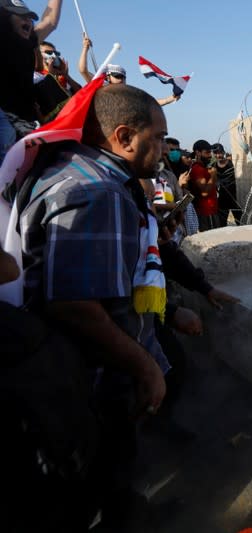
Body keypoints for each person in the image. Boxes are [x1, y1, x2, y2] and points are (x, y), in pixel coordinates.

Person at [17, 83, 169, 529]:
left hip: (61, 375)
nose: (162, 149)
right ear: (123, 137)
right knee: (105, 483)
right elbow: (76, 306)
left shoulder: (66, 168)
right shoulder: (98, 193)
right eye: (157, 138)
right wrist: (145, 366)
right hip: (93, 381)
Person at [1, 0, 63, 152]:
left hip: (24, 125)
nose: (27, 20)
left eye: (29, 17)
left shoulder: (29, 41)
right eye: (21, 16)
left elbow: (50, 22)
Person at [77, 40, 182, 106]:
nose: (121, 79)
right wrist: (85, 48)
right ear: (108, 77)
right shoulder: (100, 86)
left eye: (123, 77)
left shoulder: (128, 94)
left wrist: (170, 99)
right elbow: (83, 70)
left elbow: (148, 103)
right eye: (117, 76)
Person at [189, 139, 220, 231]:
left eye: (210, 152)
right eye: (207, 152)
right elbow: (205, 193)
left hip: (211, 209)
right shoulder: (197, 169)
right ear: (198, 152)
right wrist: (213, 176)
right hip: (206, 211)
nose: (210, 155)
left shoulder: (203, 167)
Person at [213, 143, 240, 226]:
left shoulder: (231, 163)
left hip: (234, 197)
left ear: (223, 152)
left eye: (220, 153)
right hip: (222, 198)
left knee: (239, 220)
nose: (218, 155)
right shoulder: (214, 167)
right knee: (222, 223)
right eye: (216, 153)